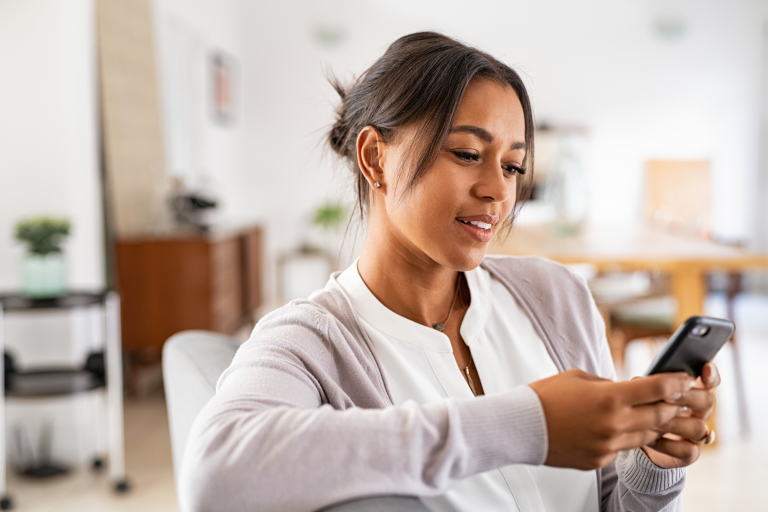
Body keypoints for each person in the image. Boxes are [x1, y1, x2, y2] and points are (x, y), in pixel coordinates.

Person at [180, 32, 719, 512]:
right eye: (466, 153)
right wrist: (529, 426)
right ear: (375, 158)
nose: (498, 190)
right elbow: (213, 478)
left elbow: (609, 503)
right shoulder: (312, 341)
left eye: (512, 165)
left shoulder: (557, 297)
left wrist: (652, 463)